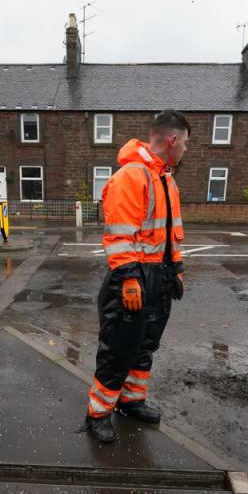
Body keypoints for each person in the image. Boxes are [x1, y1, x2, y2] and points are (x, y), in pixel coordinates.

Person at [83, 110, 189, 443]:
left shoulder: (165, 178)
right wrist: (129, 278)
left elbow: (170, 233)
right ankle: (98, 413)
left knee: (145, 345)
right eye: (185, 143)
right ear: (171, 140)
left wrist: (177, 270)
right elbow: (119, 234)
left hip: (158, 276)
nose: (186, 149)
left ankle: (130, 401)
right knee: (118, 348)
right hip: (133, 278)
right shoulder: (132, 176)